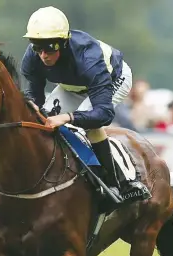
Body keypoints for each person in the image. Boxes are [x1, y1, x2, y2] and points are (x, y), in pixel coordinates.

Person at [20, 6, 151, 204]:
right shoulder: (32, 58)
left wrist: (68, 117)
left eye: (50, 48)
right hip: (72, 86)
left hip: (113, 77)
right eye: (38, 47)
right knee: (44, 122)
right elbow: (35, 98)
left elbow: (103, 114)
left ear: (63, 43)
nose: (43, 55)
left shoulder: (88, 58)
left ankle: (120, 182)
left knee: (86, 125)